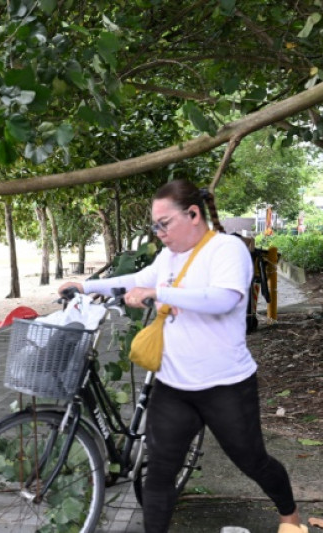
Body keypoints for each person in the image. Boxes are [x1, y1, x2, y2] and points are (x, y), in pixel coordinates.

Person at [58, 180, 307, 533]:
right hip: (173, 386)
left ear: (193, 214)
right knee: (159, 472)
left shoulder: (226, 250)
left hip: (226, 387)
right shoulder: (170, 256)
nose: (159, 232)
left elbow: (223, 299)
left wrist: (159, 293)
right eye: (154, 225)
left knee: (252, 461)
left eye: (164, 223)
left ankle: (290, 516)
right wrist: (88, 286)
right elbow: (139, 279)